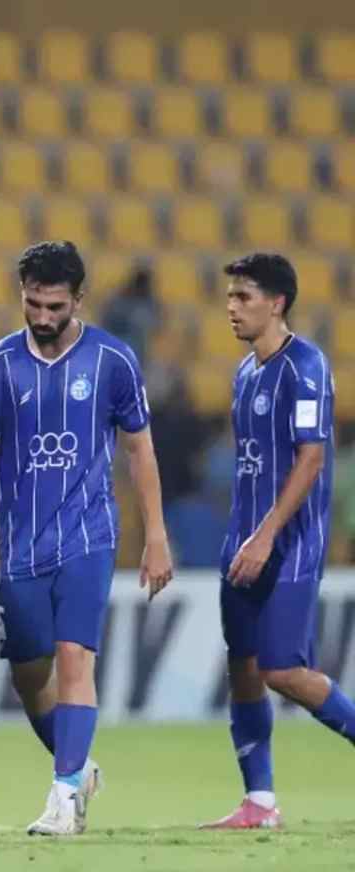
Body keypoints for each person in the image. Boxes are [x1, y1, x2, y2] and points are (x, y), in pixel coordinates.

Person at [0, 241, 173, 836]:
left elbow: (140, 450)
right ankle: (79, 768)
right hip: (21, 546)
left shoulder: (113, 360)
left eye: (54, 306)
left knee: (76, 658)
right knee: (28, 675)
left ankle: (64, 796)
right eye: (33, 304)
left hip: (88, 536)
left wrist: (155, 534)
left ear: (79, 299)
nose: (42, 317)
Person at [202, 253, 343, 830]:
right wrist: (244, 535)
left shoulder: (306, 366)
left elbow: (310, 460)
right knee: (243, 665)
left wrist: (265, 536)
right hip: (244, 540)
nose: (232, 307)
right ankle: (259, 803)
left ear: (277, 303)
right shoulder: (245, 372)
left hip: (290, 544)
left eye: (244, 297)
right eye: (230, 297)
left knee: (282, 669)